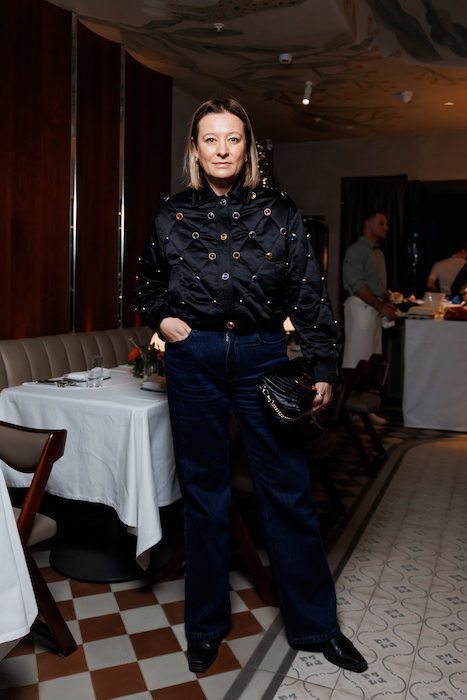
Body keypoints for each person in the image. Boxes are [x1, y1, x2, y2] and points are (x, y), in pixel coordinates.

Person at [134, 97, 367, 675]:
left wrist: (323, 367)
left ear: (248, 149)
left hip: (264, 355)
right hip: (194, 359)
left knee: (287, 492)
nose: (222, 149)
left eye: (232, 139)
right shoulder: (170, 214)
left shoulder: (279, 210)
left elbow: (309, 292)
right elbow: (146, 285)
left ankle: (316, 626)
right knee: (204, 496)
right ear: (195, 149)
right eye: (210, 139)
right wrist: (162, 318)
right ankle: (205, 626)